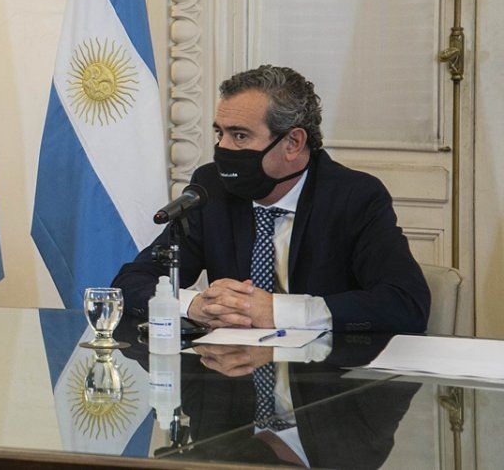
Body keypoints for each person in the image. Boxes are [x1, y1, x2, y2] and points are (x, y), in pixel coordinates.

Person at [113, 65, 429, 333]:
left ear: (293, 142)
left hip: (325, 386)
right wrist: (193, 304)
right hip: (231, 384)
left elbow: (405, 303)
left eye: (239, 136)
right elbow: (131, 281)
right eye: (219, 133)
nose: (223, 148)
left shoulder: (353, 197)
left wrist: (279, 311)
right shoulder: (212, 189)